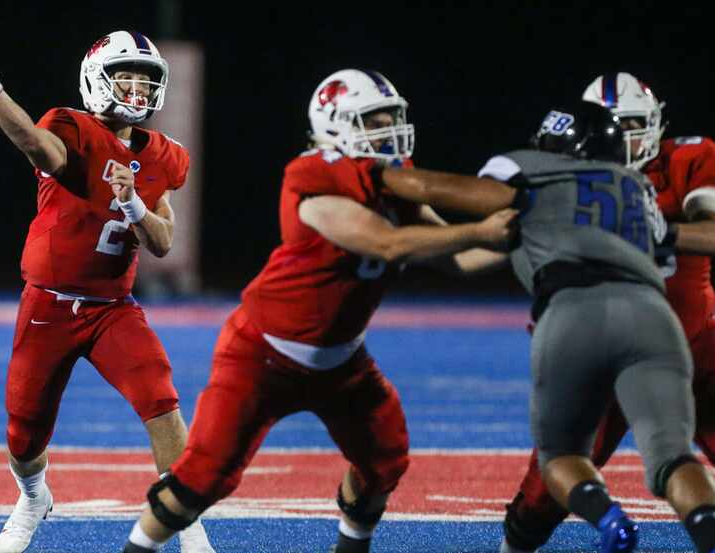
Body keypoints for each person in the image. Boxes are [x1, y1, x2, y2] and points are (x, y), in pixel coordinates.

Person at [120, 68, 517, 553]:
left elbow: (454, 257)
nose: (389, 128)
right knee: (203, 479)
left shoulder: (391, 183)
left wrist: (523, 240)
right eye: (376, 119)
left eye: (393, 117)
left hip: (341, 361)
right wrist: (482, 229)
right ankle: (136, 548)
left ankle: (351, 547)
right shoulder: (314, 176)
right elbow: (387, 244)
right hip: (262, 355)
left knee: (385, 461)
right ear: (335, 124)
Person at [379, 100, 715, 552]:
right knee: (673, 458)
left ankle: (609, 519)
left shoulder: (531, 170)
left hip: (576, 311)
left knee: (561, 458)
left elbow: (446, 189)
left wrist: (375, 174)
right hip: (656, 321)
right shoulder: (636, 188)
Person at [0, 30, 215, 553]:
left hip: (113, 308)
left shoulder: (165, 157)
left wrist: (134, 204)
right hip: (48, 303)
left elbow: (160, 243)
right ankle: (33, 496)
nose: (137, 89)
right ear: (96, 78)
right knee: (25, 434)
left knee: (162, 401)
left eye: (146, 79)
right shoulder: (68, 128)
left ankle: (189, 525)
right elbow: (32, 143)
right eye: (125, 76)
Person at [496, 73, 715, 553]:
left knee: (567, 460)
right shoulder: (562, 178)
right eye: (615, 125)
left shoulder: (687, 159)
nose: (626, 137)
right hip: (624, 348)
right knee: (541, 496)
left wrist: (660, 234)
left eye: (636, 125)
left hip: (694, 348)